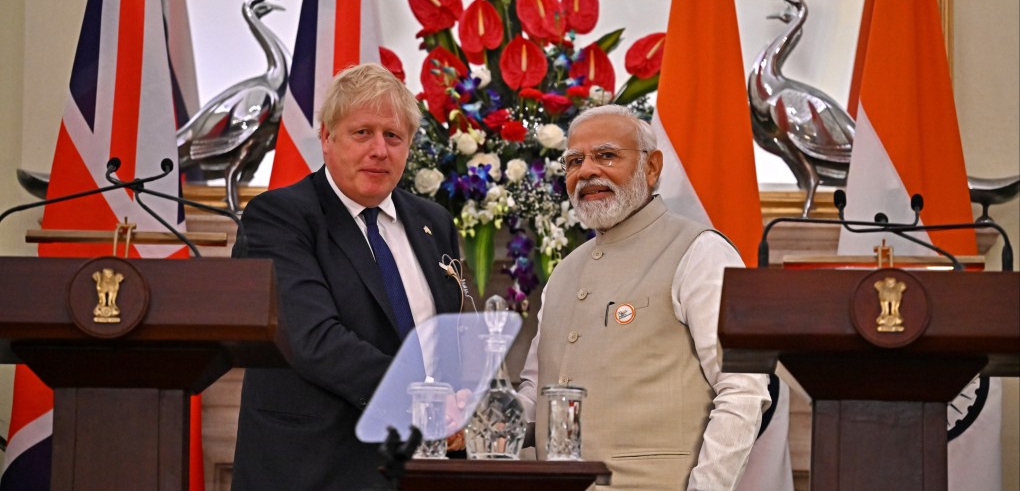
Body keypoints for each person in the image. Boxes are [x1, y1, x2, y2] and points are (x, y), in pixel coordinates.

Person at [231, 63, 464, 491]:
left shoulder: (434, 222)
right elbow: (313, 339)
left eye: (393, 136)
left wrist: (465, 398)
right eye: (362, 133)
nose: (380, 149)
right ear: (326, 137)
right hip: (313, 469)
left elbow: (447, 336)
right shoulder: (278, 217)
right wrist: (425, 398)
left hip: (420, 471)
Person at [517, 105, 770, 490]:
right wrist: (476, 419)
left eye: (606, 156)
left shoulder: (701, 252)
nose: (586, 171)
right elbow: (534, 395)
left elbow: (744, 389)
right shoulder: (564, 272)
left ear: (651, 168)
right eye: (574, 161)